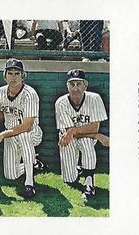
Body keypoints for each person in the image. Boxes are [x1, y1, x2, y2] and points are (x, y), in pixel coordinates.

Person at [0, 58, 46, 199]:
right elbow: (0, 114)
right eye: (10, 73)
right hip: (10, 133)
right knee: (10, 175)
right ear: (5, 75)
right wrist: (5, 132)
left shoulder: (30, 94)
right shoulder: (0, 92)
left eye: (16, 73)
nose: (13, 77)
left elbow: (27, 126)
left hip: (32, 133)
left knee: (24, 135)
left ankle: (29, 183)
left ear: (22, 76)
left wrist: (1, 135)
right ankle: (34, 163)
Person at [55, 69, 108, 201]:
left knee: (86, 143)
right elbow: (68, 131)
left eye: (79, 84)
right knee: (69, 179)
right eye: (72, 84)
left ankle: (89, 181)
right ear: (67, 86)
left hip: (84, 137)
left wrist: (76, 131)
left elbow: (95, 127)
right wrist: (96, 135)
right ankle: (78, 170)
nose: (75, 88)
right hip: (67, 139)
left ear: (85, 85)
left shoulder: (94, 98)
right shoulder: (61, 102)